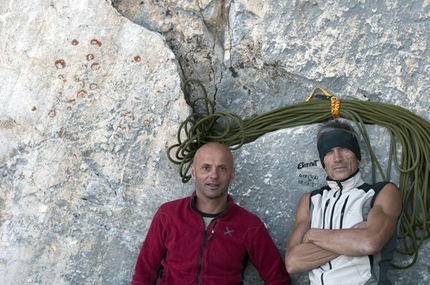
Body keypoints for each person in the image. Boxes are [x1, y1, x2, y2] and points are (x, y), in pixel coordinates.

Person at [131, 142, 291, 285]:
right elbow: (143, 274)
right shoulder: (168, 215)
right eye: (206, 167)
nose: (214, 175)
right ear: (193, 173)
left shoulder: (249, 226)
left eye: (222, 168)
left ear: (232, 174)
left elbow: (278, 279)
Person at [285, 119, 402, 285]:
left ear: (357, 156)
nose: (337, 158)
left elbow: (369, 242)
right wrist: (355, 235)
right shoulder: (310, 200)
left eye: (345, 149)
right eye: (329, 152)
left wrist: (312, 235)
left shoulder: (381, 193)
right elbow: (293, 261)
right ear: (323, 162)